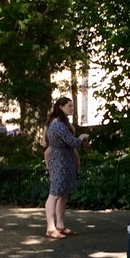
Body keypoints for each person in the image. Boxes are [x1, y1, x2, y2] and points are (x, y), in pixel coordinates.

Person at [44, 97, 89, 239]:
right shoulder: (58, 124)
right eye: (69, 105)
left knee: (63, 194)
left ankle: (60, 225)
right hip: (59, 162)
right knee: (55, 194)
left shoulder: (62, 123)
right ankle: (50, 227)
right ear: (61, 107)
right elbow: (72, 142)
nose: (72, 108)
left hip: (65, 161)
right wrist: (81, 137)